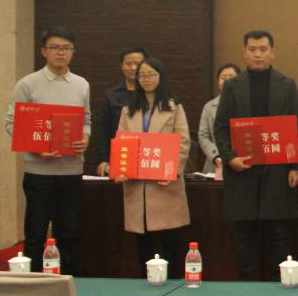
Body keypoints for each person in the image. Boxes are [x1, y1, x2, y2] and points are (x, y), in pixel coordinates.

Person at [213, 30, 298, 280]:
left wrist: (296, 166)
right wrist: (230, 157)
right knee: (246, 234)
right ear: (244, 52)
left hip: (278, 169)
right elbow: (220, 127)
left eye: (263, 49)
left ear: (272, 52)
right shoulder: (232, 86)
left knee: (279, 232)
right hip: (242, 169)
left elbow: (296, 126)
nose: (257, 54)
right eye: (252, 49)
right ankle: (247, 287)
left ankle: (281, 284)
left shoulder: (286, 84)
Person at [4, 27, 91, 273]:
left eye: (66, 48)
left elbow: (86, 119)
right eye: (55, 47)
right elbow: (11, 123)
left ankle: (68, 281)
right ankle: (33, 283)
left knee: (69, 231)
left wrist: (85, 137)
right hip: (38, 172)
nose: (61, 53)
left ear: (72, 52)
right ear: (44, 51)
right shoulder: (27, 84)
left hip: (71, 170)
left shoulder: (81, 84)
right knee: (36, 231)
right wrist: (36, 148)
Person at [112, 57, 190, 277]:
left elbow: (183, 142)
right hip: (138, 185)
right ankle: (147, 284)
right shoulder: (128, 109)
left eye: (151, 75)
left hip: (164, 183)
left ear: (160, 77)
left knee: (170, 241)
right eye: (142, 76)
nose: (146, 79)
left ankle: (175, 284)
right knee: (143, 242)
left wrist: (172, 170)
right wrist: (120, 169)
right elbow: (121, 142)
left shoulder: (174, 107)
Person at [92, 46, 146, 176]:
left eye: (138, 64)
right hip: (121, 157)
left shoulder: (154, 95)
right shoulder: (111, 95)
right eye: (128, 63)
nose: (133, 67)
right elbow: (104, 129)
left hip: (148, 156)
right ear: (121, 66)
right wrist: (104, 159)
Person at [197, 63, 240, 174]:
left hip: (242, 161)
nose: (227, 81)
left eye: (231, 77)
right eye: (223, 78)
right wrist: (216, 156)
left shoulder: (247, 105)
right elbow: (203, 135)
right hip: (216, 163)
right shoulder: (209, 106)